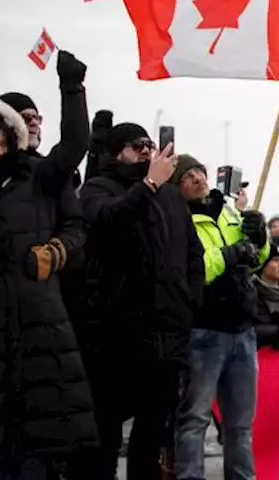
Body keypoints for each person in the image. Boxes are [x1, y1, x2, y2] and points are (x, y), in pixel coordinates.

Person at [75, 122, 203, 480]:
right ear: (116, 152)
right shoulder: (99, 187)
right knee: (108, 429)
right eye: (138, 146)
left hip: (168, 330)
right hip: (119, 332)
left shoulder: (170, 196)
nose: (147, 152)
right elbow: (106, 220)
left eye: (150, 145)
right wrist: (147, 185)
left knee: (152, 428)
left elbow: (193, 253)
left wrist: (189, 299)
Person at [0, 55, 96, 479]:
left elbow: (74, 147)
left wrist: (72, 88)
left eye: (1, 142)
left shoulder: (39, 176)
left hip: (38, 319)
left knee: (39, 437)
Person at [173, 154, 271, 480]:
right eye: (187, 177)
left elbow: (256, 261)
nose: (198, 179)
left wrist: (260, 238)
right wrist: (230, 255)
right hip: (204, 331)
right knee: (194, 418)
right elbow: (193, 270)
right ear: (177, 187)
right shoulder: (179, 221)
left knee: (240, 424)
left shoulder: (229, 214)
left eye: (199, 172)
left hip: (242, 330)